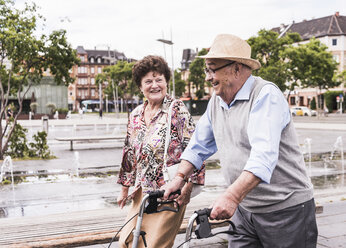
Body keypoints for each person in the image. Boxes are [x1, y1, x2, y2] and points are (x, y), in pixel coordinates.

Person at [162, 34, 317, 248]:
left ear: (236, 68)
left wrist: (231, 197)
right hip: (245, 210)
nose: (208, 77)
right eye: (207, 69)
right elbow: (198, 146)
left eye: (212, 69)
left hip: (285, 209)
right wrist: (179, 178)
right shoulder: (217, 101)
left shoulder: (265, 95)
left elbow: (263, 157)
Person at [117, 55, 205, 248]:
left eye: (159, 80)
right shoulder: (136, 115)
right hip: (142, 191)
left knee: (155, 244)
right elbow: (129, 153)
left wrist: (190, 186)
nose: (154, 85)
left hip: (169, 192)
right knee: (127, 241)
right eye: (148, 81)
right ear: (141, 87)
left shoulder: (176, 109)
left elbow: (196, 147)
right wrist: (125, 189)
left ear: (166, 82)